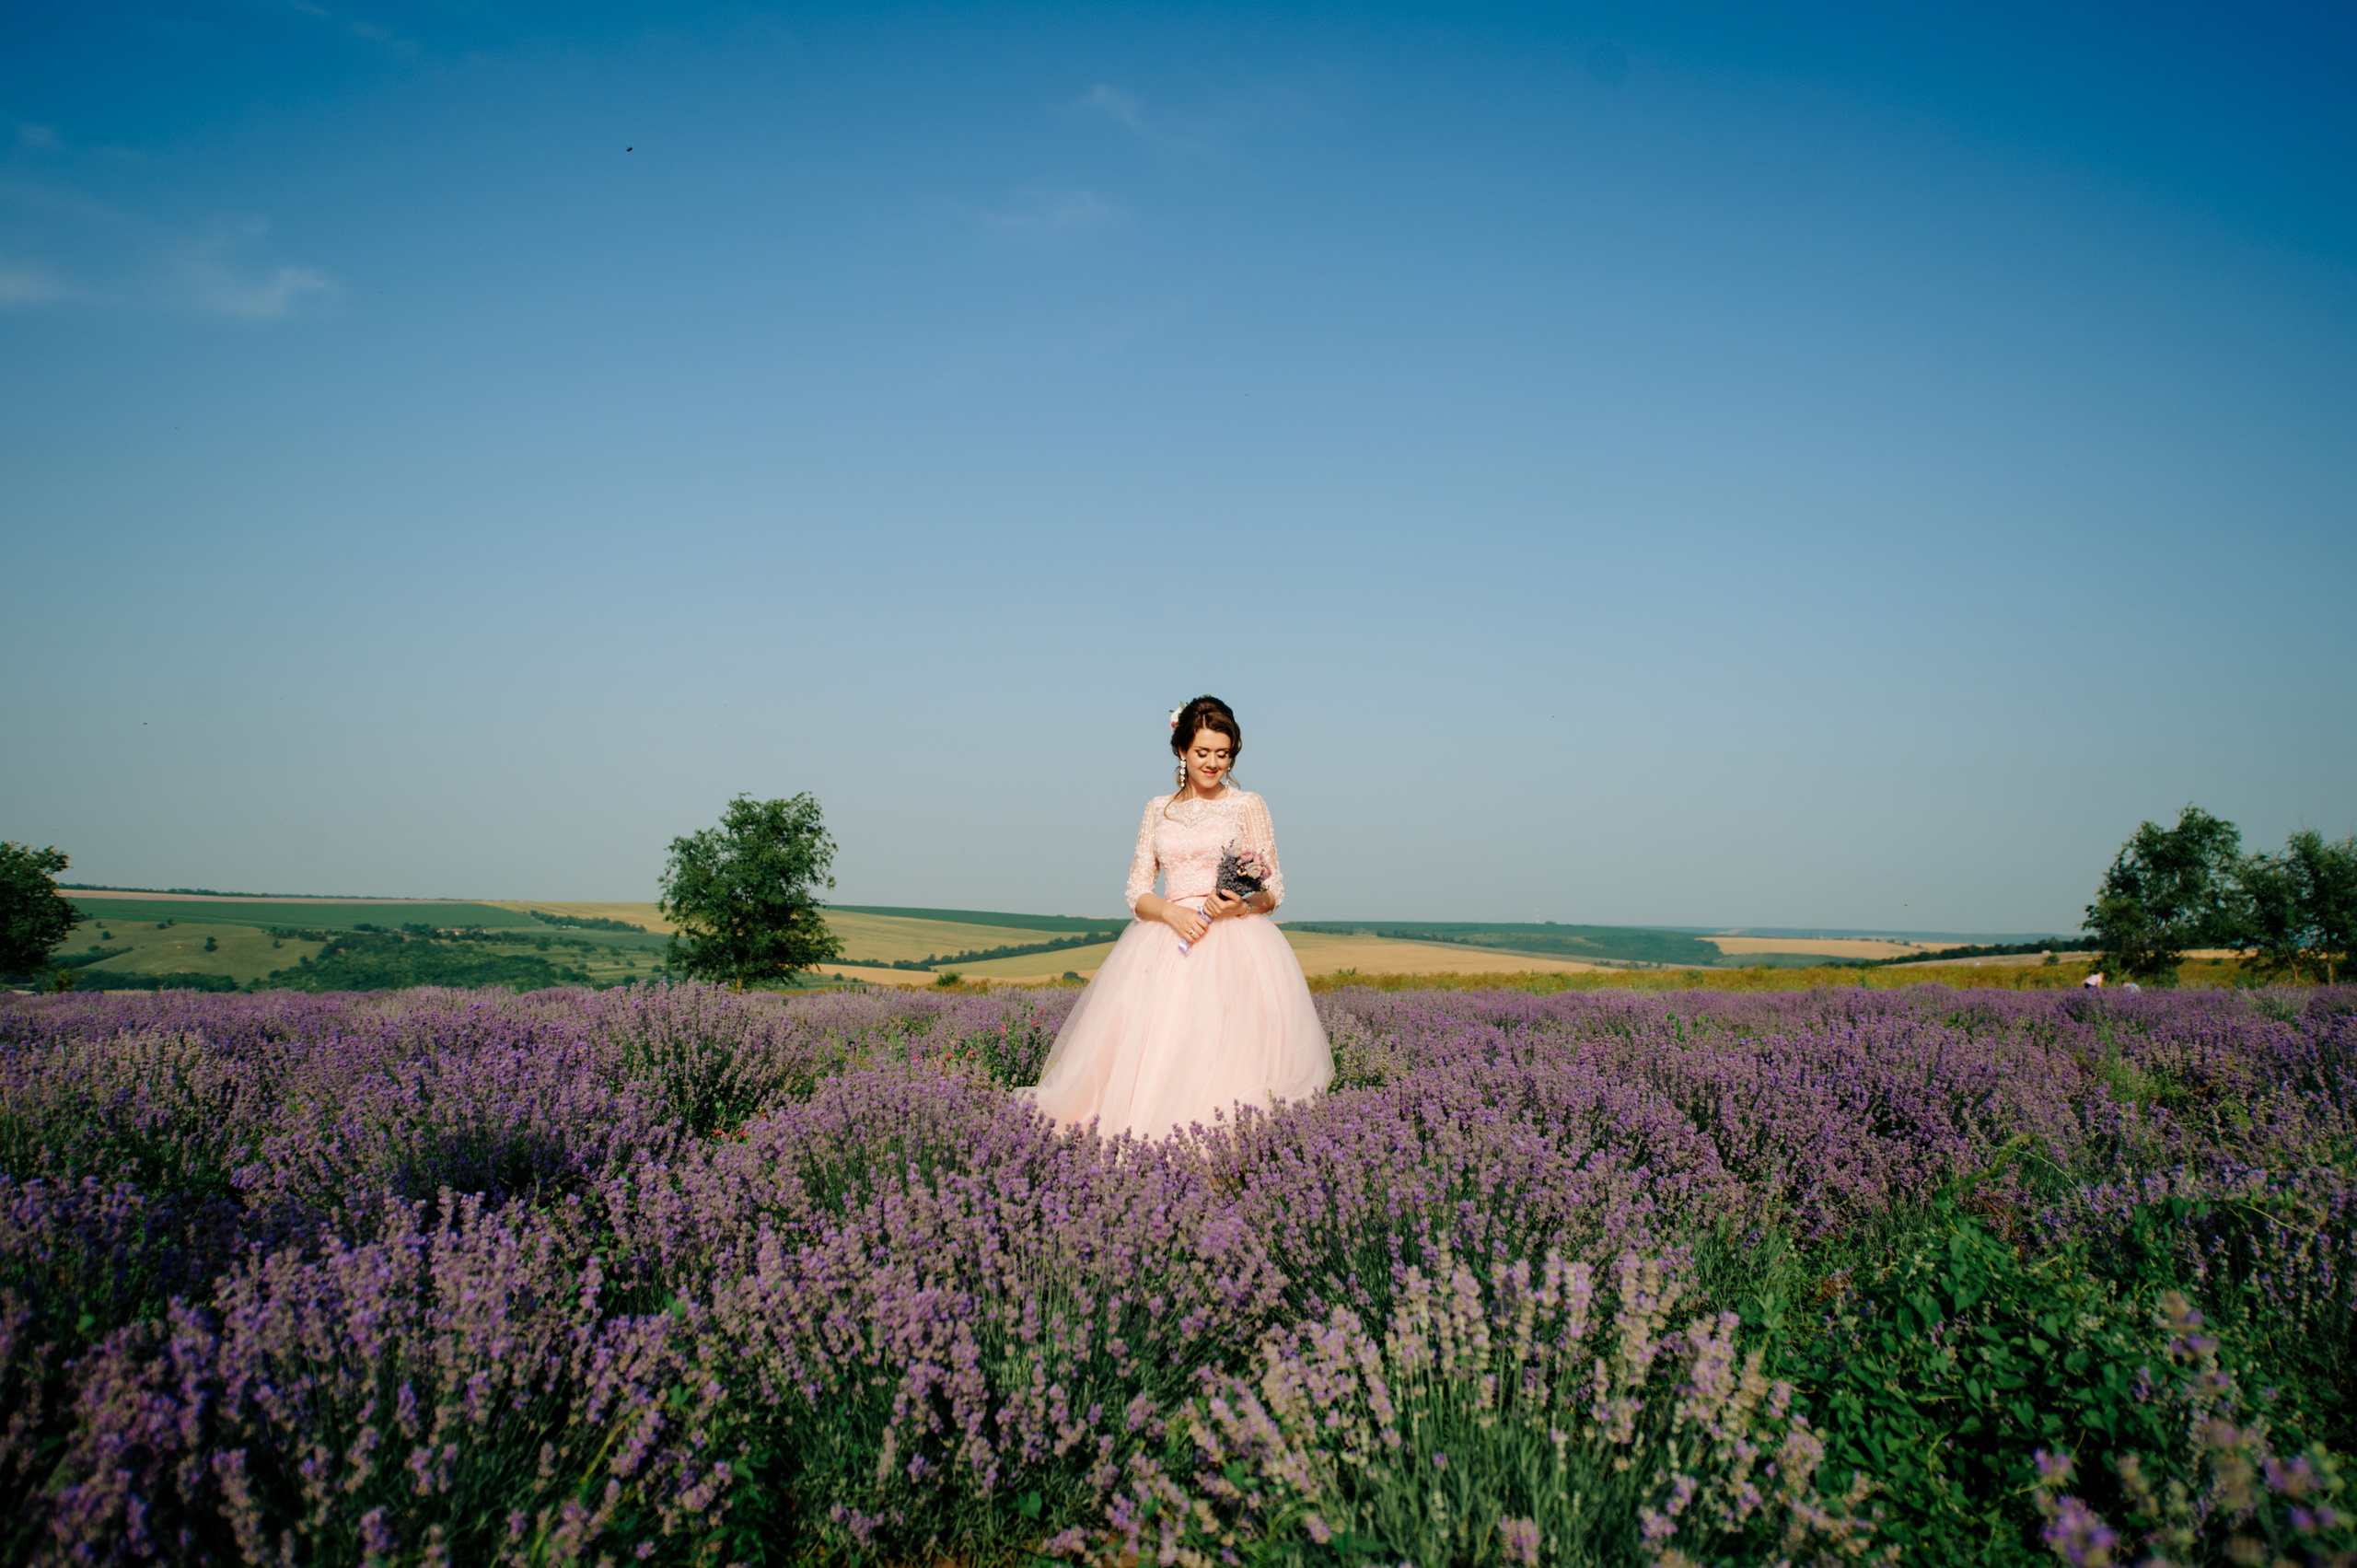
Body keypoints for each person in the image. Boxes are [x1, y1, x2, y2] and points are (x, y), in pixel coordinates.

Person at [1024, 695, 1332, 1138]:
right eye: (1202, 752)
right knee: (1155, 1050)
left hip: (1233, 942)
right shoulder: (1157, 809)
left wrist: (1242, 904)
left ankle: (1221, 1149)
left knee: (1221, 1051)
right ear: (1181, 750)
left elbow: (1274, 890)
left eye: (1222, 754)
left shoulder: (1248, 805)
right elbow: (1136, 892)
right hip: (1164, 940)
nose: (1212, 763)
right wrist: (1171, 913)